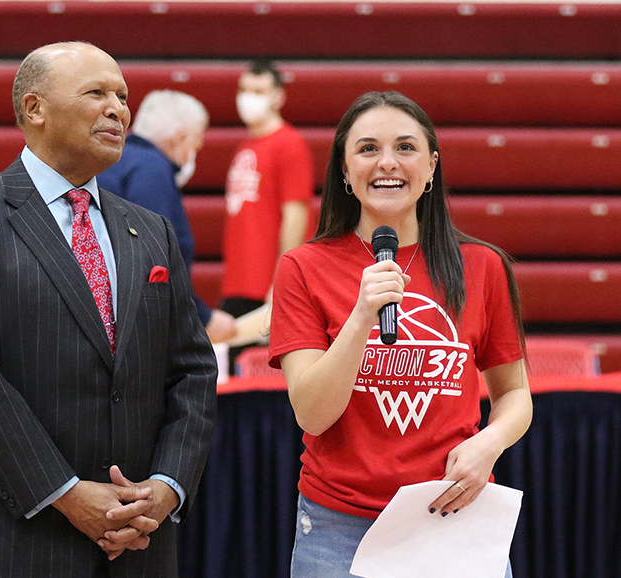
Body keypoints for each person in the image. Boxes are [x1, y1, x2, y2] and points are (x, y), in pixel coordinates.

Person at [0, 42, 217, 578]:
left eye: (123, 96)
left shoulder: (151, 230)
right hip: (7, 537)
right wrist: (67, 493)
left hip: (135, 544)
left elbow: (192, 370)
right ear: (35, 109)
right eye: (96, 93)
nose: (118, 108)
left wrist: (167, 487)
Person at [268, 91, 533, 577]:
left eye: (405, 148)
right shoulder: (303, 268)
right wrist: (362, 316)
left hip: (454, 518)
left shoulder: (483, 266)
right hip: (338, 530)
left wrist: (489, 443)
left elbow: (514, 393)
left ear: (431, 166)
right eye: (367, 149)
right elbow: (312, 413)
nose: (387, 162)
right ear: (345, 172)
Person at [97, 90, 237, 344]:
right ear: (180, 138)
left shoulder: (113, 159)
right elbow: (156, 256)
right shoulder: (152, 170)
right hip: (137, 324)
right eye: (196, 143)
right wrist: (202, 318)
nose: (196, 151)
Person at [220, 60, 314, 371]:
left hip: (265, 284)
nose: (248, 97)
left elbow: (296, 215)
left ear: (278, 97)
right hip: (238, 280)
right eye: (244, 89)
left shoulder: (289, 145)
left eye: (258, 90)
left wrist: (282, 277)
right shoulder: (246, 144)